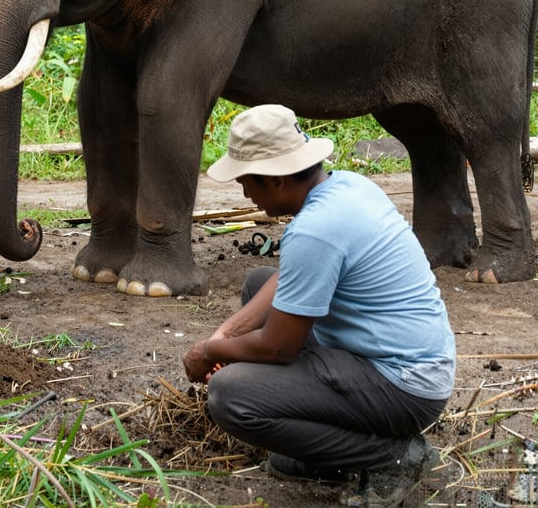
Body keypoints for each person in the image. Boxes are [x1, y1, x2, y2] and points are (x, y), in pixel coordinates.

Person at [182, 105, 456, 508]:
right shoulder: (346, 186)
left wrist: (209, 352)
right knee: (259, 283)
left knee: (230, 396)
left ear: (274, 180)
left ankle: (393, 458)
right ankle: (325, 450)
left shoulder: (314, 229)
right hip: (407, 361)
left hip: (405, 387)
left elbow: (278, 348)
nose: (245, 194)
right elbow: (286, 281)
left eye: (246, 183)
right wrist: (225, 335)